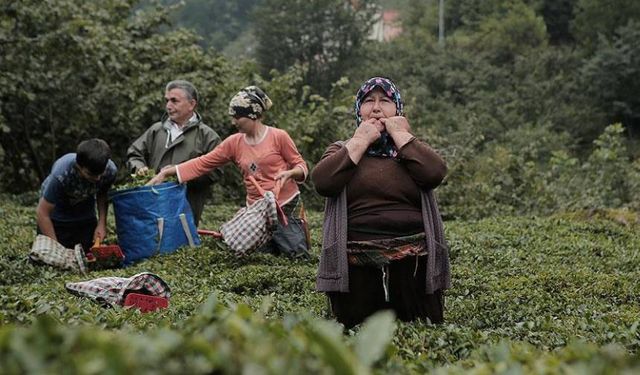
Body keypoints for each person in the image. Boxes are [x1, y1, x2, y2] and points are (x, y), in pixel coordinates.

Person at [311, 77, 451, 329]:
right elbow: (322, 182)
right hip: (356, 267)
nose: (376, 108)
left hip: (413, 264)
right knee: (356, 337)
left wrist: (400, 135)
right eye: (368, 101)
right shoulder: (342, 149)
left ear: (397, 109)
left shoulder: (410, 149)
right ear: (358, 110)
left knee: (418, 336)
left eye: (385, 101)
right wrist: (360, 141)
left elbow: (435, 173)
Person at [148, 85, 310, 258]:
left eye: (237, 117)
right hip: (256, 210)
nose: (233, 122)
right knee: (259, 257)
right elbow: (204, 163)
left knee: (296, 254)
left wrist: (290, 174)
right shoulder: (234, 143)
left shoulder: (279, 137)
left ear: (252, 115)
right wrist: (168, 172)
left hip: (284, 205)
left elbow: (301, 165)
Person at [127, 79, 222, 226]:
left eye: (174, 101)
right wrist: (139, 167)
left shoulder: (207, 136)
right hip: (153, 205)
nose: (168, 106)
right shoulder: (157, 130)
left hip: (186, 209)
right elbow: (134, 153)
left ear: (192, 104)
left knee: (180, 245)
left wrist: (180, 175)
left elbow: (216, 171)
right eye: (167, 101)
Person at [36, 138, 117, 252]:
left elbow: (102, 194)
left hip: (84, 216)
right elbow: (42, 212)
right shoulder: (61, 174)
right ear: (79, 166)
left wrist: (101, 223)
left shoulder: (109, 170)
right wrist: (56, 249)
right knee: (52, 259)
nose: (97, 178)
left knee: (88, 256)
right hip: (57, 218)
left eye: (100, 174)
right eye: (90, 174)